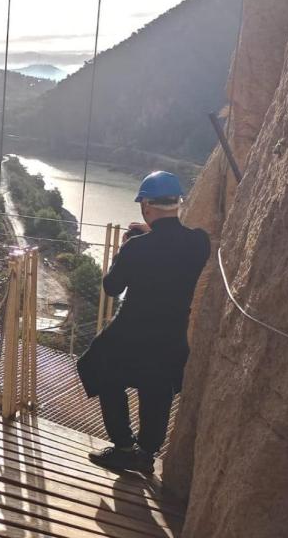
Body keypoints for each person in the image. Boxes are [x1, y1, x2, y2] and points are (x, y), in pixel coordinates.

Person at [79, 171, 210, 473]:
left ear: (146, 205)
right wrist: (148, 233)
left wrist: (123, 250)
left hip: (131, 332)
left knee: (99, 368)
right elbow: (170, 243)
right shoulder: (199, 243)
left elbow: (112, 287)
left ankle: (123, 445)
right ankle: (145, 453)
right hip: (171, 334)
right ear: (177, 203)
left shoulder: (135, 249)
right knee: (157, 389)